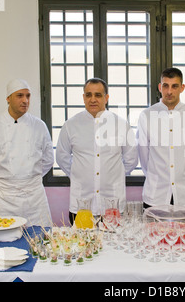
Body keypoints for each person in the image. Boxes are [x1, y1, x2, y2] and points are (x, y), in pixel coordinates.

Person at [56, 78, 138, 225]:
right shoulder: (70, 125)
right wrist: (79, 175)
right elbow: (62, 158)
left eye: (98, 95)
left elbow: (131, 159)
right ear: (83, 97)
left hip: (112, 206)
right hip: (81, 206)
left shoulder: (121, 125)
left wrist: (114, 176)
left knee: (115, 245)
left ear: (106, 98)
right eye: (88, 95)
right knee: (81, 246)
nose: (93, 99)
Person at [0, 78, 54, 227]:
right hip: (2, 198)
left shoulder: (39, 126)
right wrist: (5, 179)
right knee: (0, 242)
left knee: (39, 240)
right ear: (8, 98)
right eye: (19, 96)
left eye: (28, 96)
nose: (25, 100)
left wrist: (29, 177)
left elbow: (49, 159)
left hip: (34, 197)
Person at [137, 68, 185, 209]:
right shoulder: (146, 116)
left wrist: (183, 173)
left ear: (182, 88)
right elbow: (144, 155)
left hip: (184, 195)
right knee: (152, 232)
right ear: (160, 87)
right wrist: (156, 176)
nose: (169, 91)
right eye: (165, 86)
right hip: (155, 195)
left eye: (174, 86)